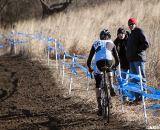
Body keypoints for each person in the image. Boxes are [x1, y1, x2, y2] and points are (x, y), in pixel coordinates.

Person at [87, 29, 119, 116]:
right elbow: (117, 59)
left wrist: (90, 68)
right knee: (110, 68)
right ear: (109, 36)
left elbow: (89, 60)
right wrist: (115, 65)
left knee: (98, 83)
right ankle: (111, 85)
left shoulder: (96, 42)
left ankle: (99, 106)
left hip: (99, 63)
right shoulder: (111, 42)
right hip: (109, 61)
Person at [126, 18, 149, 102]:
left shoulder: (139, 31)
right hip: (132, 60)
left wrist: (137, 50)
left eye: (132, 24)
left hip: (139, 59)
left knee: (141, 78)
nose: (131, 26)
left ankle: (144, 97)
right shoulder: (131, 34)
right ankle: (137, 98)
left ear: (135, 24)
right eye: (129, 25)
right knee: (134, 79)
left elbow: (146, 43)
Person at [114, 27, 130, 101]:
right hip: (120, 64)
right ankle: (123, 97)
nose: (121, 35)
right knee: (122, 80)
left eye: (122, 34)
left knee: (128, 81)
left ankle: (128, 97)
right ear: (117, 34)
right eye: (119, 34)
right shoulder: (115, 42)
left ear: (125, 34)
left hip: (129, 63)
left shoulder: (129, 39)